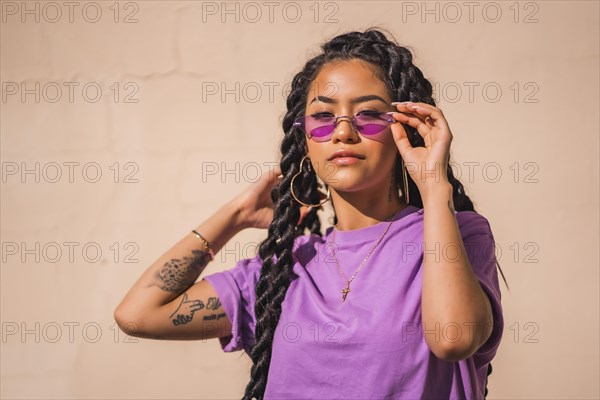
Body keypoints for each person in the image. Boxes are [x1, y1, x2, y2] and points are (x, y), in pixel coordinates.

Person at [114, 27, 509, 400]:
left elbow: (453, 338)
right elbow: (139, 315)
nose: (342, 132)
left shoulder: (453, 235)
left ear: (406, 128)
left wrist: (433, 184)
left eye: (369, 114)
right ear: (304, 140)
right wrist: (234, 216)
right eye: (323, 117)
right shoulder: (284, 269)